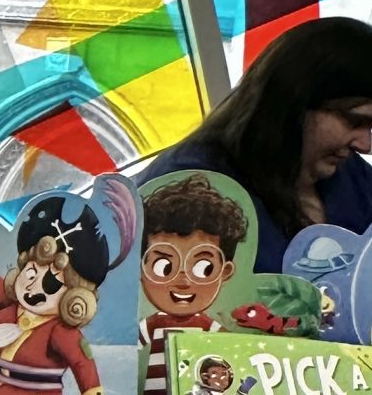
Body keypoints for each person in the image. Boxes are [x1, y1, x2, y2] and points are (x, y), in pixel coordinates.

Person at [142, 18, 372, 269]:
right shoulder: (186, 191)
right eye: (354, 121)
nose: (365, 145)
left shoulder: (348, 175)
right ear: (293, 103)